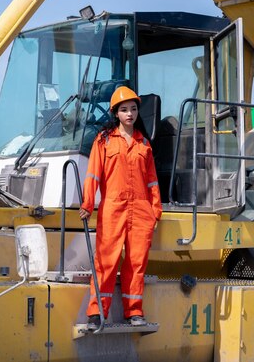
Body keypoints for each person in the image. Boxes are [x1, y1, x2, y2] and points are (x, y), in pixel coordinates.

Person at [79, 86, 162, 330]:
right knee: (106, 262)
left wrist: (156, 211)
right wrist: (87, 203)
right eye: (124, 110)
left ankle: (134, 312)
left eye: (133, 109)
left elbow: (152, 181)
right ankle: (96, 314)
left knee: (136, 264)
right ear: (116, 113)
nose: (129, 114)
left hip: (141, 210)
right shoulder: (103, 141)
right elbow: (93, 174)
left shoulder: (143, 144)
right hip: (113, 209)